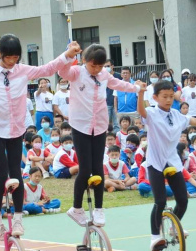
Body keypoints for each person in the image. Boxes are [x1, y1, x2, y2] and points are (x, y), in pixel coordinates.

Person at [0, 35, 79, 239]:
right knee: (1, 171)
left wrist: (67, 55)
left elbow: (48, 69)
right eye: (9, 58)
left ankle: (17, 218)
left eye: (16, 57)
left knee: (16, 172)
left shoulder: (23, 70)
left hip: (16, 127)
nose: (12, 61)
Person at [58, 44, 141, 228]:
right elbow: (62, 70)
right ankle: (76, 208)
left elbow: (119, 84)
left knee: (98, 169)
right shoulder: (76, 72)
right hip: (80, 125)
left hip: (100, 125)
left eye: (100, 66)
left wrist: (136, 88)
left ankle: (99, 209)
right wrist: (68, 55)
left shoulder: (104, 75)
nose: (96, 70)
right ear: (85, 61)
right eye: (93, 66)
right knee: (85, 168)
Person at [137, 79, 196, 251]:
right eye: (164, 96)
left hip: (173, 161)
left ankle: (174, 226)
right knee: (159, 201)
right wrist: (140, 93)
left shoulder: (176, 114)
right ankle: (155, 236)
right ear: (155, 97)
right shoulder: (151, 113)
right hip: (155, 162)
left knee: (183, 199)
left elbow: (191, 121)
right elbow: (141, 111)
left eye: (170, 96)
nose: (168, 100)